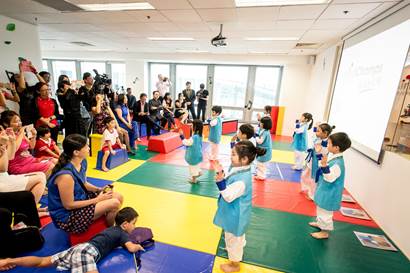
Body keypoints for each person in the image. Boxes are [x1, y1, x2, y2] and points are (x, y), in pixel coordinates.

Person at [0, 207, 144, 272]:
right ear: (125, 224)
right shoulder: (122, 232)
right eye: (134, 223)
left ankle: (7, 261)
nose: (134, 227)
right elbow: (131, 247)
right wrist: (138, 246)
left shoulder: (111, 229)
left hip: (80, 247)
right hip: (86, 252)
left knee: (42, 261)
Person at [47, 134, 123, 234]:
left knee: (118, 196)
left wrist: (98, 189)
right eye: (86, 146)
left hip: (81, 199)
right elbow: (68, 205)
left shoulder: (82, 162)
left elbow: (83, 183)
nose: (89, 148)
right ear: (76, 152)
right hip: (67, 216)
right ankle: (113, 232)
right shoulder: (66, 176)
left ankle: (108, 220)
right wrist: (97, 200)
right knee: (115, 203)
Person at [213, 141, 266, 273]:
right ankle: (239, 245)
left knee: (233, 239)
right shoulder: (241, 168)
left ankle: (234, 264)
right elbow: (231, 180)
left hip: (236, 214)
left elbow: (228, 196)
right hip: (236, 212)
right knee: (236, 237)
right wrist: (222, 173)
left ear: (244, 159)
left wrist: (220, 182)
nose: (231, 156)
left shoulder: (242, 181)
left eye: (233, 154)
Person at [310, 132, 351, 239]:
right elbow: (323, 164)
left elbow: (330, 178)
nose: (327, 145)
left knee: (325, 212)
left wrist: (324, 165)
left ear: (336, 147)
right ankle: (320, 223)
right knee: (321, 208)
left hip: (330, 192)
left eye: (329, 143)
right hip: (325, 189)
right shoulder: (333, 157)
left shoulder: (338, 163)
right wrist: (320, 156)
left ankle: (324, 231)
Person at [0, 126, 46, 205]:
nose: (19, 124)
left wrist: (12, 140)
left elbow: (10, 157)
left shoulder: (16, 135)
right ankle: (29, 211)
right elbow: (3, 168)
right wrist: (3, 145)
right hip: (5, 179)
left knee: (41, 175)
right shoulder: (18, 135)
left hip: (7, 175)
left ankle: (29, 209)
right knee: (40, 178)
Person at [0, 110, 55, 176]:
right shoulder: (5, 135)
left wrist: (34, 136)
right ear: (6, 124)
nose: (20, 123)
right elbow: (14, 150)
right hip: (18, 166)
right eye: (16, 122)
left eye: (19, 121)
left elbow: (31, 146)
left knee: (55, 161)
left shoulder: (19, 133)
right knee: (50, 166)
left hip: (30, 160)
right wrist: (21, 133)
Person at [301, 123, 335, 200]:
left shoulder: (327, 143)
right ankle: (307, 188)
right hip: (312, 160)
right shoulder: (318, 138)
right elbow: (314, 143)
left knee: (314, 179)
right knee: (305, 175)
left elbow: (323, 152)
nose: (316, 132)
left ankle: (313, 196)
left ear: (325, 133)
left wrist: (318, 149)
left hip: (318, 162)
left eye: (318, 131)